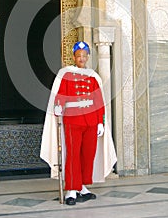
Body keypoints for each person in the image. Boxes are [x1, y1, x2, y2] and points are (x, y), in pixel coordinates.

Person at [40, 41, 117, 205]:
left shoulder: (93, 76)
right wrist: (58, 108)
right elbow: (59, 95)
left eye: (84, 55)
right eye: (78, 55)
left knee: (88, 155)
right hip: (73, 119)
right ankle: (71, 190)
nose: (81, 58)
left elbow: (99, 101)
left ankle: (82, 186)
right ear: (74, 57)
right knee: (73, 155)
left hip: (90, 121)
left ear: (88, 57)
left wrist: (100, 122)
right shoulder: (65, 73)